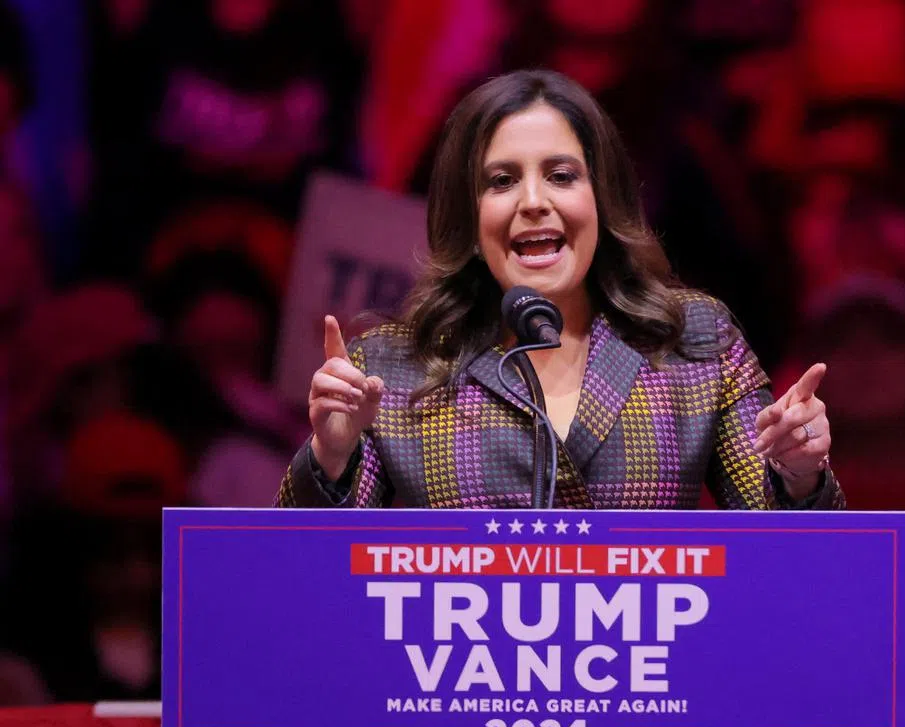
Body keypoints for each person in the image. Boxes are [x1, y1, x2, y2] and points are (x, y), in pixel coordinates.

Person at [274, 69, 842, 513]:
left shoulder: (693, 343)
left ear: (602, 199)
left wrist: (800, 471)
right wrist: (331, 456)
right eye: (501, 181)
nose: (532, 201)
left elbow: (794, 561)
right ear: (468, 219)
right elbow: (304, 587)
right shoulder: (392, 367)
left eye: (561, 175)